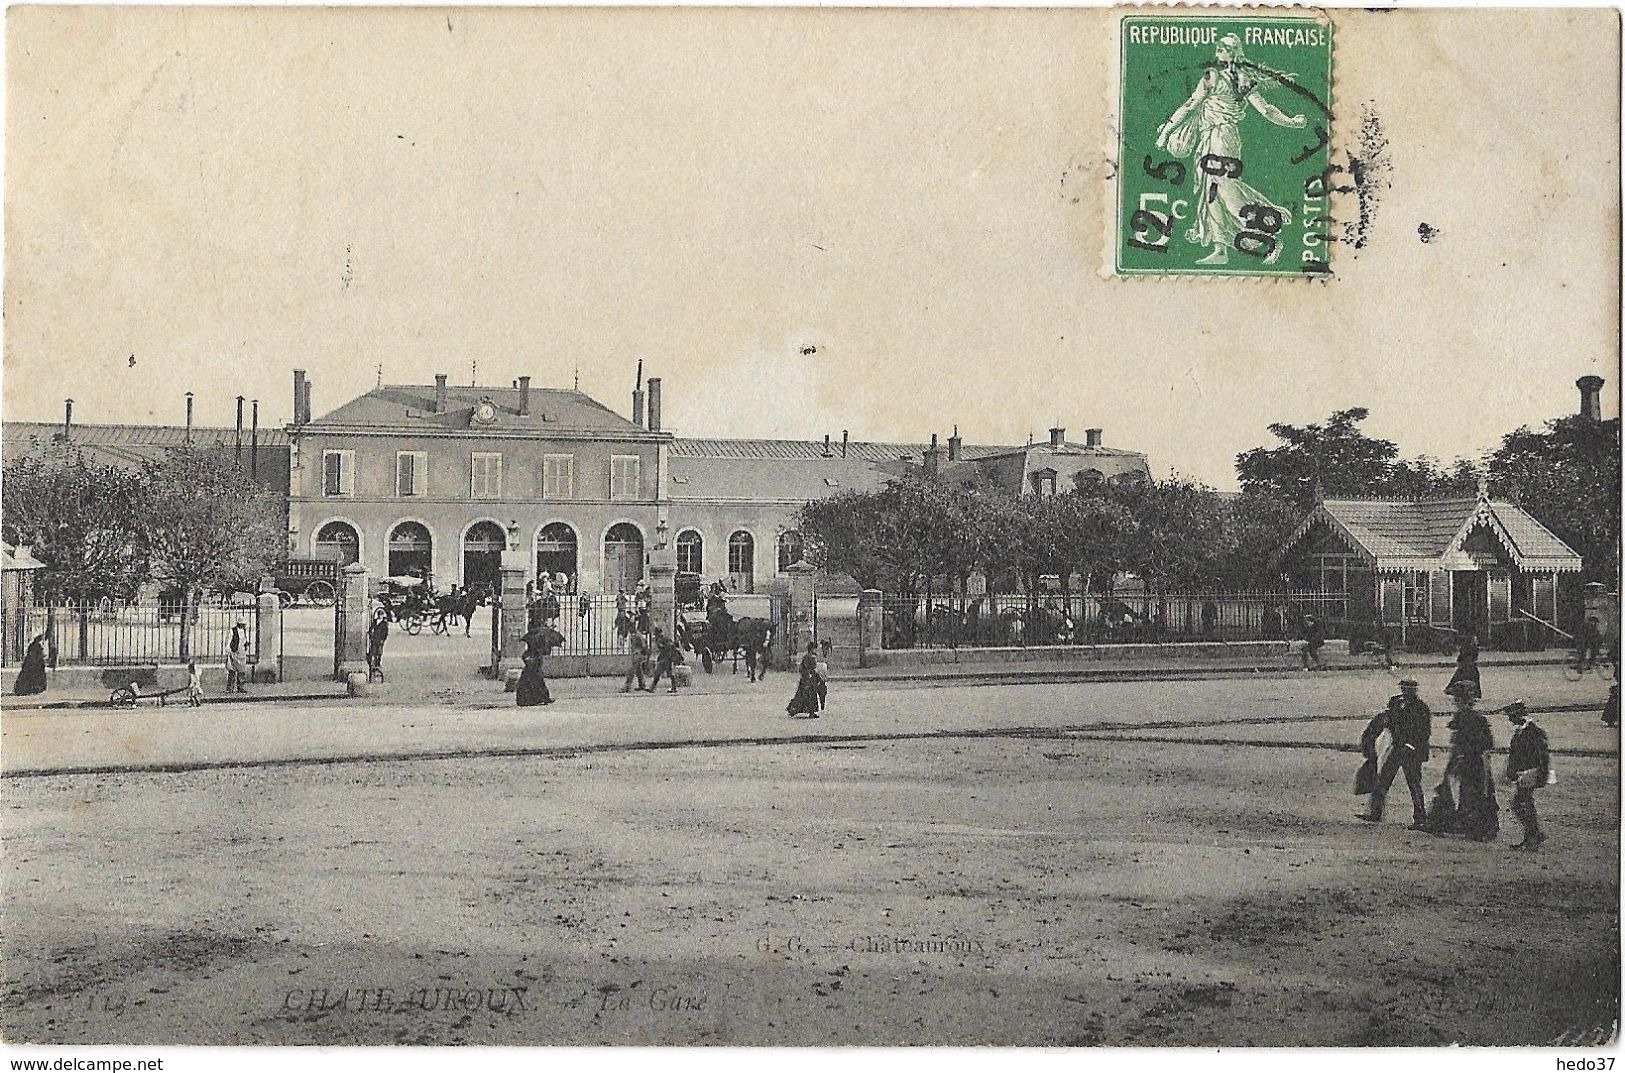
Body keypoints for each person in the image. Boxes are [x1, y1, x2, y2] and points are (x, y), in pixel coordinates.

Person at [1154, 33, 1308, 266]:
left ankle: (1267, 234)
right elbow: (1266, 109)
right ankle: (1221, 249)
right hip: (1216, 137)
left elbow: (1191, 105)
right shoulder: (1238, 78)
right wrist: (1292, 121)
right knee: (1211, 190)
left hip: (1221, 137)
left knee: (1222, 186)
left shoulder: (1214, 77)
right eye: (1219, 48)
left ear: (1232, 52)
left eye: (1222, 48)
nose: (1218, 52)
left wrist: (1166, 132)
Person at [1360, 678, 1432, 828]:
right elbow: (1387, 719)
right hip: (1397, 748)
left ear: (1414, 691)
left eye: (1409, 689)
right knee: (1384, 780)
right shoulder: (1395, 703)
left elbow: (1424, 732)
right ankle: (1375, 813)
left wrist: (1411, 745)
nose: (1405, 691)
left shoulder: (1421, 708)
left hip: (1412, 751)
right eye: (1404, 688)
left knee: (1413, 783)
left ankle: (1420, 817)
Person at [1433, 681, 1499, 842]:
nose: (1455, 701)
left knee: (1472, 792)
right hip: (1468, 759)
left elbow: (1479, 743)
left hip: (1471, 760)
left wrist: (1462, 757)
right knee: (1468, 791)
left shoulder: (1469, 717)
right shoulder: (1470, 717)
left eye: (1457, 698)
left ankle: (1476, 827)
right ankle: (1469, 824)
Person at [1503, 700, 1552, 850]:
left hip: (1530, 773)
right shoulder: (1525, 730)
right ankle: (1533, 834)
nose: (1510, 720)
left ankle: (1533, 835)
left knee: (1520, 803)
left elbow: (1541, 756)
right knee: (1523, 802)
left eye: (1511, 716)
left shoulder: (1531, 732)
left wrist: (1536, 773)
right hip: (1524, 773)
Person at [516, 623, 563, 707]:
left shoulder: (533, 641)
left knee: (532, 682)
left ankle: (534, 699)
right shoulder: (539, 644)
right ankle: (539, 698)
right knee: (537, 682)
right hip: (533, 666)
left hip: (531, 667)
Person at [787, 641, 821, 718]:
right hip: (807, 679)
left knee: (806, 695)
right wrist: (808, 676)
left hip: (809, 678)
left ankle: (806, 711)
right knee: (807, 695)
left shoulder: (809, 656)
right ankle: (794, 709)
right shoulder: (808, 657)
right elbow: (805, 668)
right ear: (811, 649)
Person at [1445, 630, 1481, 700]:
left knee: (1458, 679)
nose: (1477, 641)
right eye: (1475, 640)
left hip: (1466, 667)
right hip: (1468, 667)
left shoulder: (1468, 648)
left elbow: (1461, 658)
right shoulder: (1472, 649)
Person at [646, 627, 682, 694]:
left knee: (668, 673)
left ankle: (673, 688)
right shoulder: (663, 639)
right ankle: (652, 688)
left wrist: (661, 646)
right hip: (665, 659)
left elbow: (668, 647)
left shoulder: (663, 639)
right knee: (659, 673)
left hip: (666, 659)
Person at [225, 620, 251, 694]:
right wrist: (228, 650)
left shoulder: (244, 631)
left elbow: (245, 640)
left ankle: (241, 687)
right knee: (232, 670)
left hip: (242, 653)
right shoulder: (232, 631)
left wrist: (246, 645)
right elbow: (229, 640)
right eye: (242, 624)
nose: (243, 626)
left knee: (241, 671)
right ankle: (230, 688)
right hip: (234, 652)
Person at [622, 627, 651, 694]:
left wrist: (641, 653)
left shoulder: (638, 636)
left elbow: (644, 645)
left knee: (631, 670)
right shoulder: (634, 635)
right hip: (635, 654)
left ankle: (627, 687)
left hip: (638, 655)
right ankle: (642, 685)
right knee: (638, 671)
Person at [366, 608, 390, 681]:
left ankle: (378, 663)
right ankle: (372, 663)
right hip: (374, 639)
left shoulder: (384, 623)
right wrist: (370, 633)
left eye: (381, 615)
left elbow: (386, 633)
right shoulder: (375, 621)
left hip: (380, 640)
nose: (380, 616)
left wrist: (383, 639)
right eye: (379, 615)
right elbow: (371, 628)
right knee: (373, 651)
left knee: (379, 652)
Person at [815, 639, 832, 713]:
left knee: (820, 689)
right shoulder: (819, 652)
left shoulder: (818, 651)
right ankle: (821, 703)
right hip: (820, 667)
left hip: (820, 667)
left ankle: (821, 703)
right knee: (821, 689)